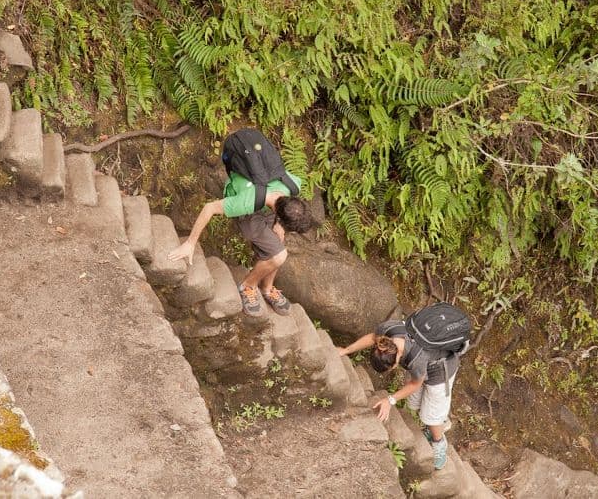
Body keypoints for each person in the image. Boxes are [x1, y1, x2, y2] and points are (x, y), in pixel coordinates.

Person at [168, 128, 313, 316]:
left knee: (278, 243)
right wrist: (189, 243)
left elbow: (283, 206)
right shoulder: (246, 202)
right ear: (279, 212)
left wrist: (279, 225)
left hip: (267, 207)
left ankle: (267, 289)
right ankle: (247, 286)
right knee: (278, 255)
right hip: (249, 211)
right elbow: (209, 208)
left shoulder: (291, 186)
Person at [337, 317, 461, 471]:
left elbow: (416, 383)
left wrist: (390, 400)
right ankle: (438, 418)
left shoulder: (416, 359)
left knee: (431, 417)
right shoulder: (387, 334)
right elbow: (372, 337)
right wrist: (346, 350)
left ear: (395, 362)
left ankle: (439, 441)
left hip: (441, 370)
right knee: (415, 404)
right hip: (426, 363)